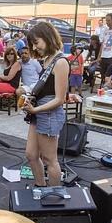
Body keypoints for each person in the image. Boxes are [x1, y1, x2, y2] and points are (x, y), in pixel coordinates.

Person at [21, 22, 69, 187]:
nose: (35, 47)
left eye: (37, 42)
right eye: (33, 44)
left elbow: (59, 99)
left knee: (50, 160)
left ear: (48, 37)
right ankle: (41, 186)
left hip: (48, 114)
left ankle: (54, 194)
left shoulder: (60, 62)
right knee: (31, 154)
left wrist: (35, 108)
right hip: (39, 112)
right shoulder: (48, 60)